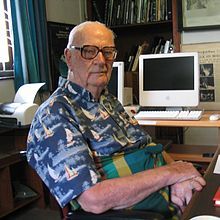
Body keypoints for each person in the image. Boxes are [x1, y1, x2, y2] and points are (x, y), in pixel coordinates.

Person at [26, 21, 205, 219]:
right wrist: (173, 174)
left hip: (172, 191)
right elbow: (93, 199)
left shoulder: (108, 100)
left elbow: (150, 146)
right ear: (69, 57)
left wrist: (179, 178)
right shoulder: (54, 115)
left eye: (108, 51)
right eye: (89, 51)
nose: (101, 60)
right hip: (144, 211)